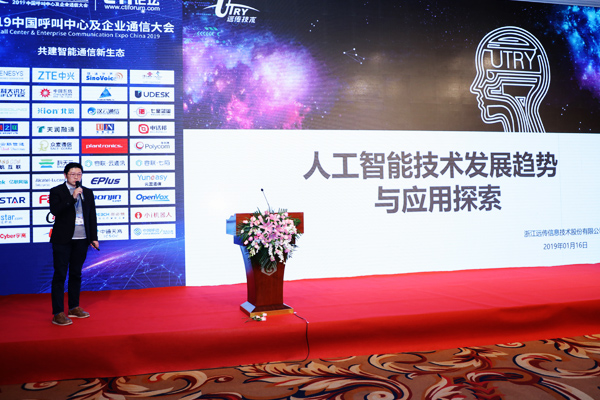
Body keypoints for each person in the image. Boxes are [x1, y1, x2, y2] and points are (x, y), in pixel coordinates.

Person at [49, 162, 99, 326]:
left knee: (76, 274)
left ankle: (73, 307)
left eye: (79, 174)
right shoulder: (57, 191)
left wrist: (93, 237)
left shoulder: (88, 192)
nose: (76, 177)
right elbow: (56, 211)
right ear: (65, 175)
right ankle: (58, 313)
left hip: (82, 239)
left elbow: (92, 216)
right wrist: (72, 198)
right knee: (60, 275)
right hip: (62, 240)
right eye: (73, 174)